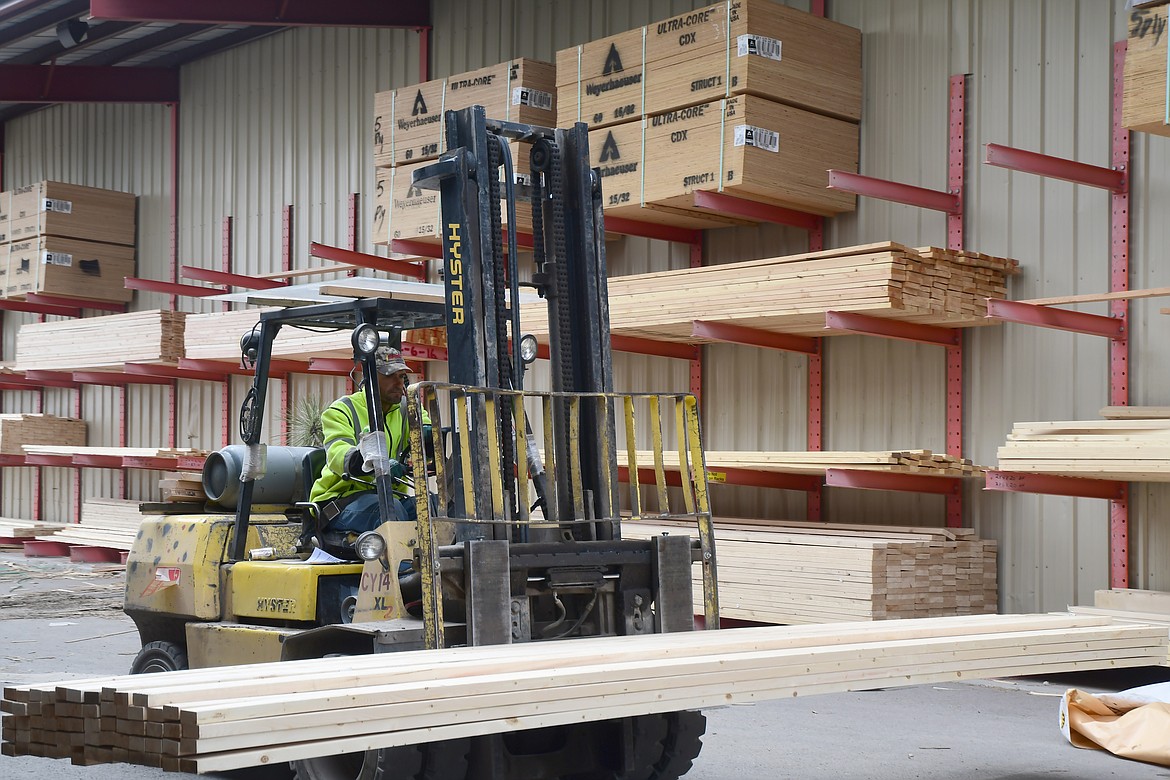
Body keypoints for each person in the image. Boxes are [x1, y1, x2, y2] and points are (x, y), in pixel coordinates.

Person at [308, 345, 427, 536]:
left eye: (401, 376)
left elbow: (427, 437)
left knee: (431, 508)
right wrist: (373, 462)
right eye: (390, 376)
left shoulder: (408, 410)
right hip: (341, 501)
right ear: (370, 378)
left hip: (390, 497)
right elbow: (340, 456)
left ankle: (436, 565)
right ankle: (402, 566)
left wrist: (432, 439)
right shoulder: (341, 410)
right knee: (390, 509)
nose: (399, 383)